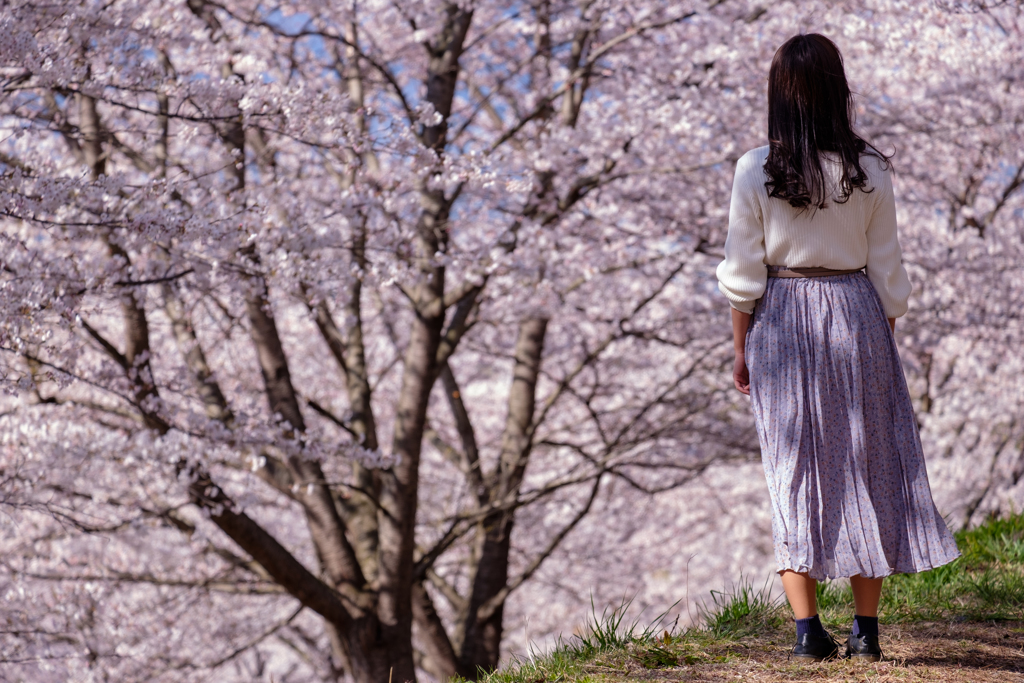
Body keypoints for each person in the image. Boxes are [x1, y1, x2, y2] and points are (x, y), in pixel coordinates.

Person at [716, 34, 960, 663]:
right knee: (869, 464)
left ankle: (805, 632)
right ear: (838, 90)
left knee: (793, 469)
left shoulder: (756, 169)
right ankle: (867, 630)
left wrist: (741, 350)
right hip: (857, 314)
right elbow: (888, 272)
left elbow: (744, 274)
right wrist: (882, 342)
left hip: (781, 317)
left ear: (779, 96)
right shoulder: (869, 168)